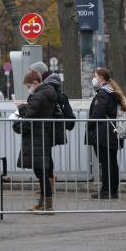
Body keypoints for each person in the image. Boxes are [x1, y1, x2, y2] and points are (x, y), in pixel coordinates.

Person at [29, 61, 75, 196]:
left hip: (48, 128)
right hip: (51, 128)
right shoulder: (52, 87)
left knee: (45, 157)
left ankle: (48, 188)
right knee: (46, 156)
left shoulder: (48, 89)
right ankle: (47, 186)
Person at [16, 69, 58, 213]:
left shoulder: (39, 95)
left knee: (41, 172)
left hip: (38, 136)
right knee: (41, 171)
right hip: (42, 134)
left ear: (35, 83)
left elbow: (29, 115)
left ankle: (47, 204)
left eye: (29, 86)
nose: (29, 89)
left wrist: (21, 107)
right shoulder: (47, 93)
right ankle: (43, 203)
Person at [87, 68, 126, 200]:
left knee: (106, 163)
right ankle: (112, 190)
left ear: (102, 78)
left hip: (104, 133)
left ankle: (106, 191)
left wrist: (89, 124)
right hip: (111, 132)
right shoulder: (111, 91)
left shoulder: (103, 94)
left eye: (96, 76)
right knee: (111, 162)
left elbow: (98, 113)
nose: (94, 79)